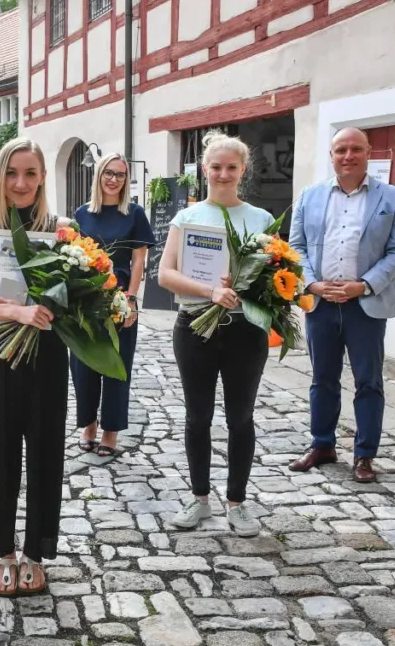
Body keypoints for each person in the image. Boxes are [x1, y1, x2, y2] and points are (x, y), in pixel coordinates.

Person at [0, 137, 68, 597]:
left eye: (30, 173)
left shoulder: (65, 231)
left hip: (47, 359)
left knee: (45, 452)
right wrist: (16, 312)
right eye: (11, 173)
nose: (20, 183)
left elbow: (86, 293)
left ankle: (36, 553)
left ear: (43, 178)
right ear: (0, 178)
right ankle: (2, 551)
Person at [157, 130, 274, 538]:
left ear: (242, 170)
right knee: (197, 417)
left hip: (244, 331)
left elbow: (275, 276)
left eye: (231, 167)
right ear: (204, 169)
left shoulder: (260, 219)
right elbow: (165, 274)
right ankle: (200, 498)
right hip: (195, 328)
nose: (223, 174)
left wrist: (247, 287)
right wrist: (211, 290)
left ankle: (237, 502)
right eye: (216, 167)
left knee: (240, 417)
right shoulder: (187, 218)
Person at [288, 127, 395, 483]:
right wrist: (311, 283)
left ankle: (364, 455)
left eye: (356, 148)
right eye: (341, 149)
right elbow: (296, 247)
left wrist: (365, 285)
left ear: (368, 152)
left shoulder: (392, 197)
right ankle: (322, 444)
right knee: (322, 378)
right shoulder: (310, 196)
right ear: (331, 155)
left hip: (366, 307)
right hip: (321, 305)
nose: (348, 155)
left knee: (368, 382)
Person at [72, 153, 155, 459]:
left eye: (120, 175)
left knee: (118, 367)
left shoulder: (134, 214)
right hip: (85, 299)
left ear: (126, 179)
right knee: (83, 366)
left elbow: (138, 262)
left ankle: (111, 432)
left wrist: (132, 299)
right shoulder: (81, 214)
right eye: (109, 173)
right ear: (98, 175)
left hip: (120, 298)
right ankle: (88, 426)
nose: (113, 179)